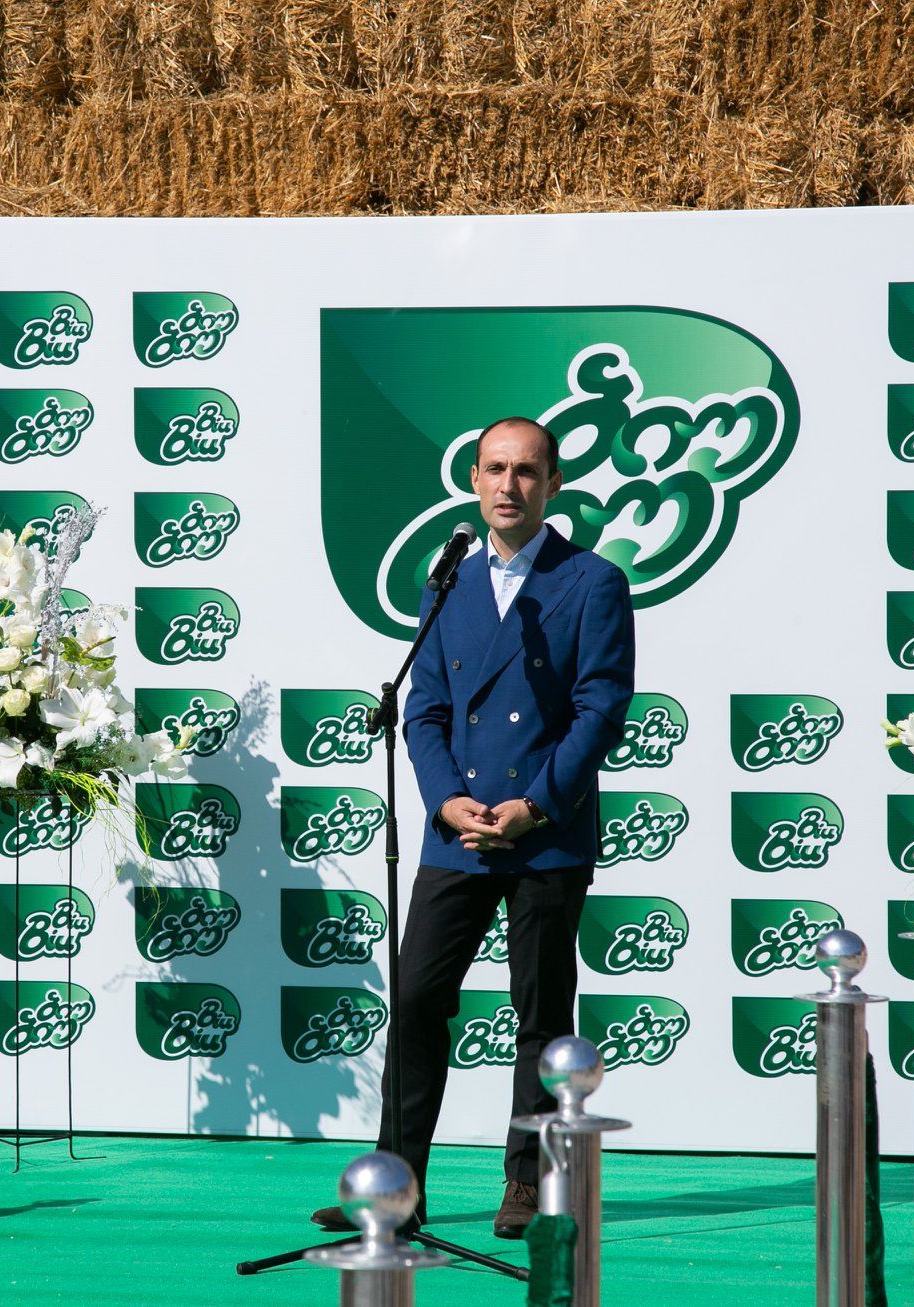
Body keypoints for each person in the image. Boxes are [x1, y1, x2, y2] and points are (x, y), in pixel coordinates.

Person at [313, 416, 636, 1240]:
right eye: (494, 469)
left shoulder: (591, 580)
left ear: (554, 483)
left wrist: (535, 803)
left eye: (525, 471)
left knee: (540, 1013)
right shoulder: (447, 578)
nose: (507, 486)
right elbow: (423, 706)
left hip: (545, 830)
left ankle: (527, 1180)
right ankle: (396, 1182)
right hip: (455, 830)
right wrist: (445, 799)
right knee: (417, 997)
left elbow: (601, 709)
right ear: (473, 479)